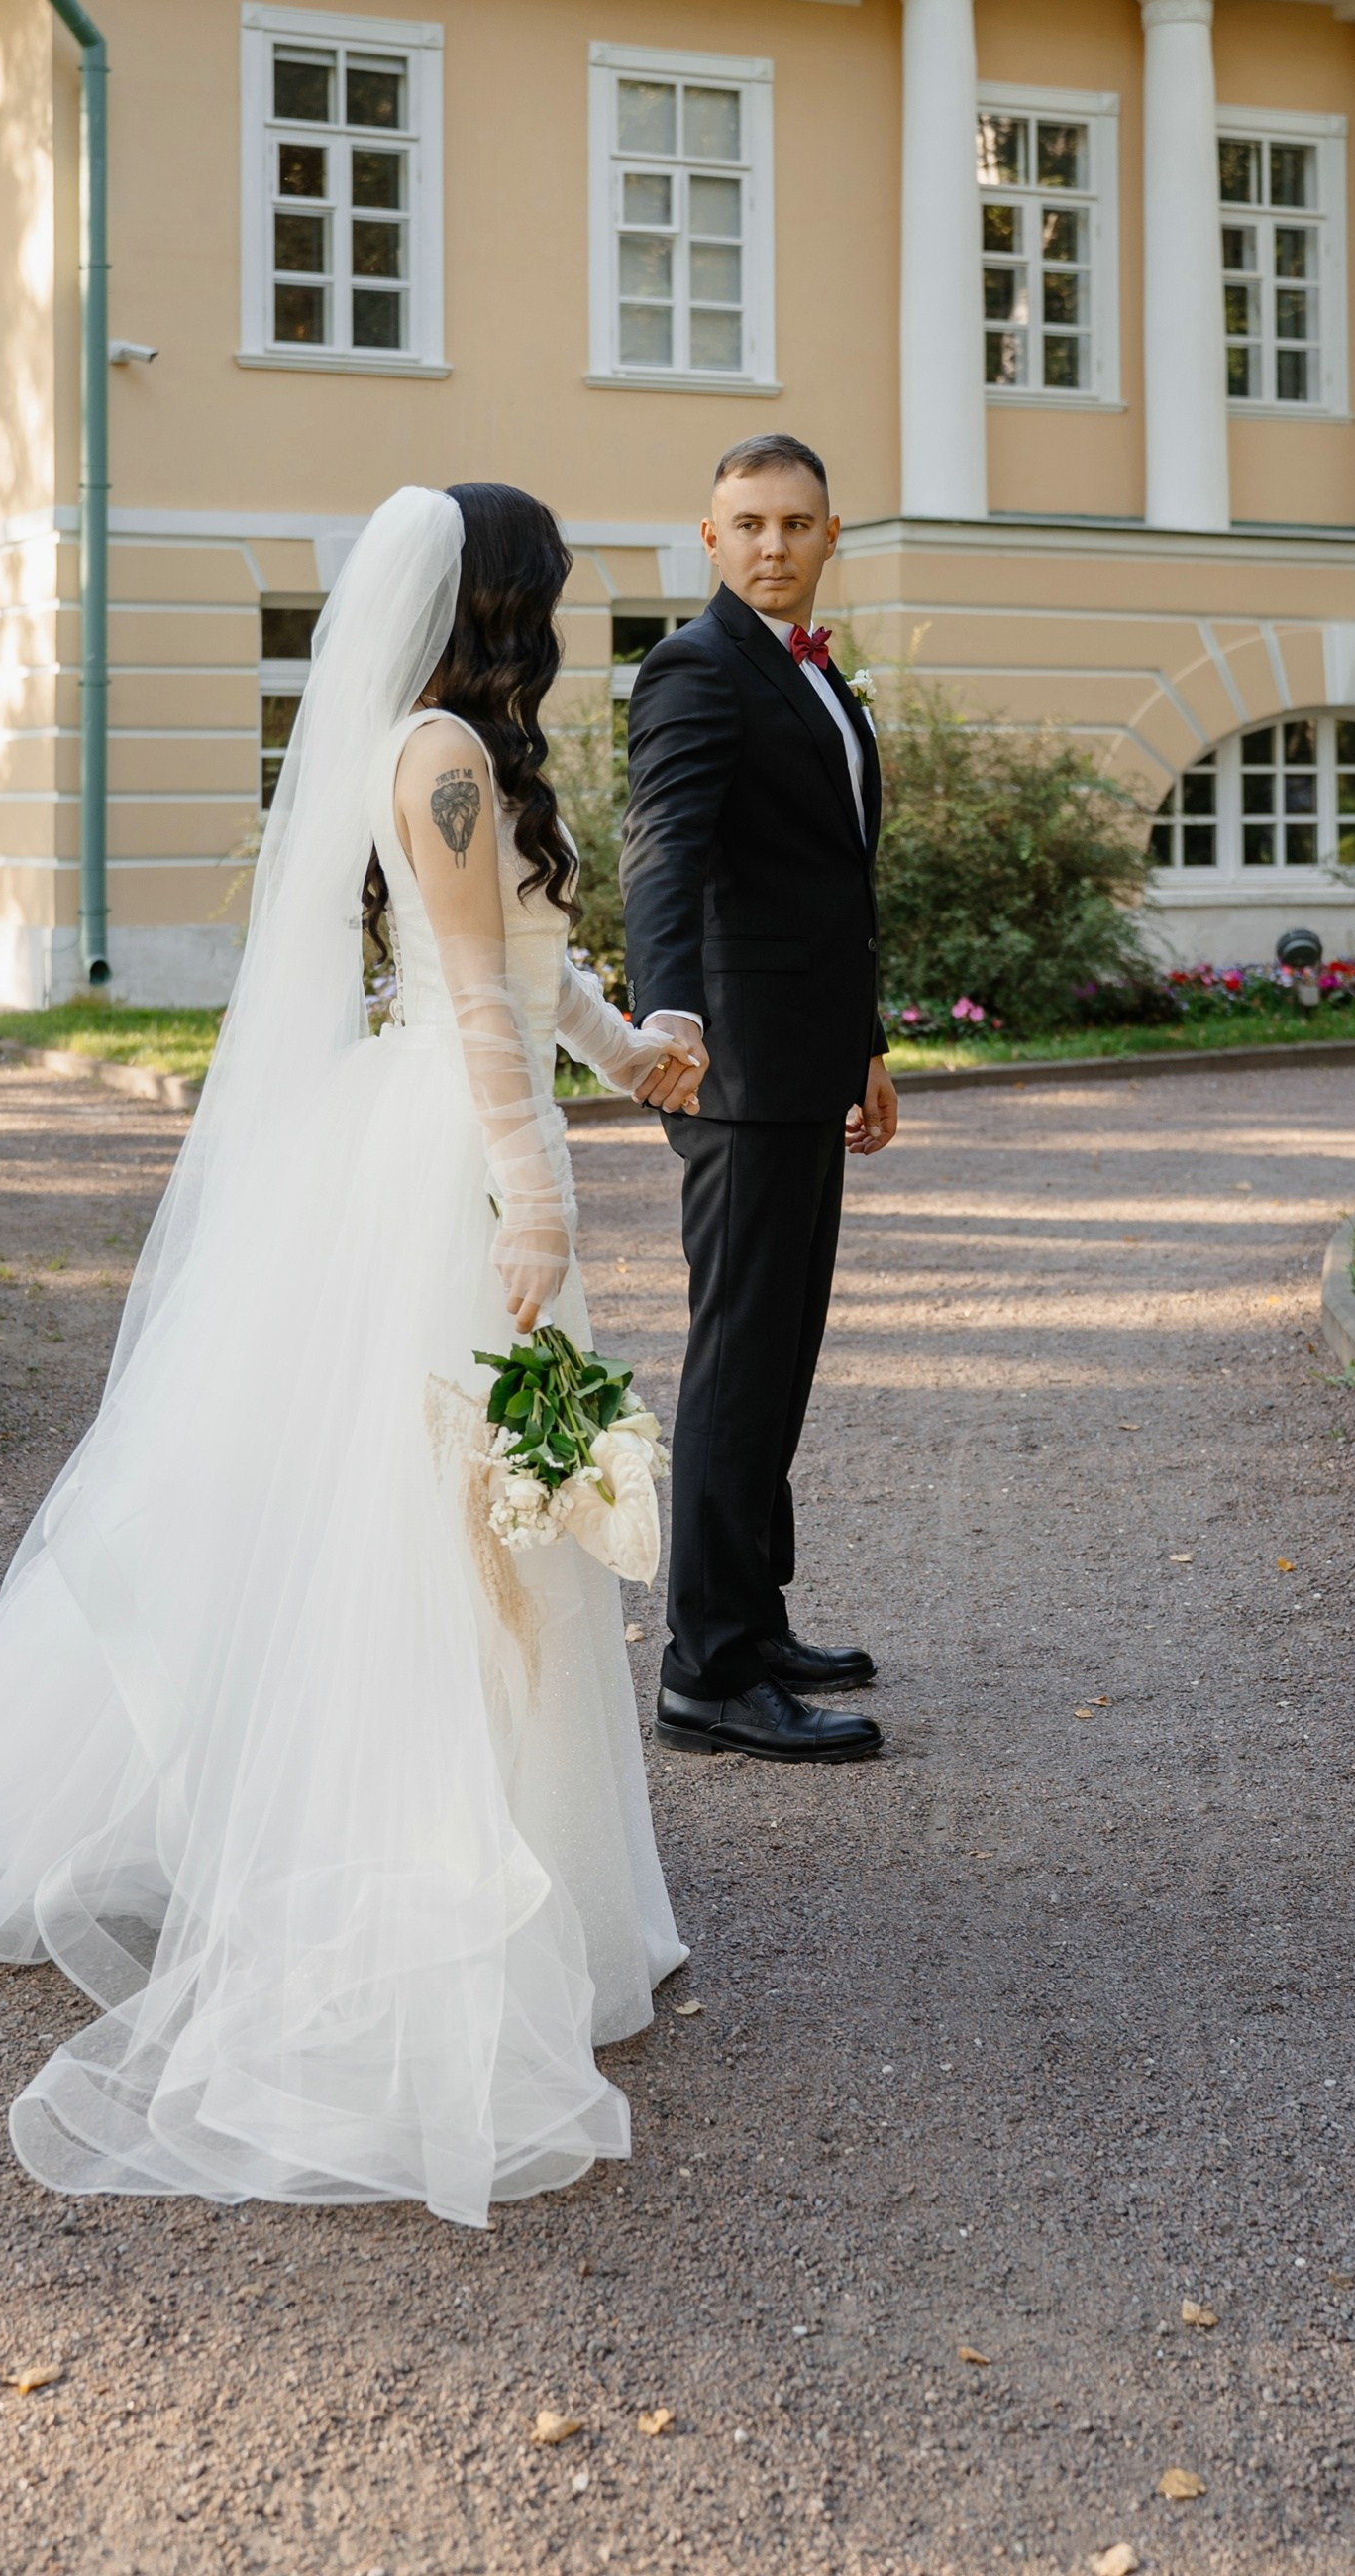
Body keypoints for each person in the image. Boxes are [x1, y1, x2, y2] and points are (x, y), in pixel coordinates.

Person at [0, 483, 695, 2227]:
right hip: (453, 1173)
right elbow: (460, 998)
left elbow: (528, 965)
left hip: (476, 1136)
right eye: (555, 594)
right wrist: (534, 1195)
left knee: (500, 1518)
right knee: (448, 1524)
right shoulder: (436, 754)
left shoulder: (474, 754)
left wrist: (631, 1049)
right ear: (503, 600)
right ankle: (412, 1883)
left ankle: (545, 1880)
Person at [620, 432, 896, 1765]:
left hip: (807, 1061)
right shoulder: (693, 668)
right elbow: (665, 859)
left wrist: (867, 1042)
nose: (774, 545)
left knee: (780, 1353)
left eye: (796, 523)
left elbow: (827, 882)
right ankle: (706, 1672)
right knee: (735, 1361)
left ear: (830, 534)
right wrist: (666, 1017)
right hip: (732, 1072)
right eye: (749, 524)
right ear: (711, 536)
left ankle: (755, 1615)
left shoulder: (813, 671)